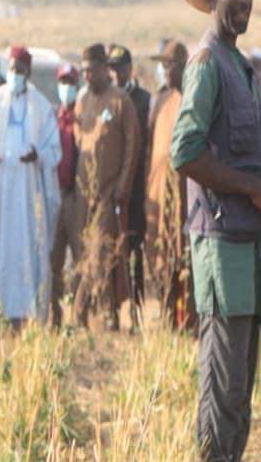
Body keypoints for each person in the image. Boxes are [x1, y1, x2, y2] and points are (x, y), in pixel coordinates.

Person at [172, 0, 261, 462]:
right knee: (220, 387)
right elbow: (184, 153)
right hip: (219, 248)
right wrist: (253, 190)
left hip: (249, 245)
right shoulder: (208, 64)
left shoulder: (243, 66)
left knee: (242, 389)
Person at [0, 46, 61, 327]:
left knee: (27, 248)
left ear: (28, 73)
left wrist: (39, 156)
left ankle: (28, 315)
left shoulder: (42, 106)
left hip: (27, 191)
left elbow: (54, 148)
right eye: (11, 70)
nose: (14, 75)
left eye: (20, 71)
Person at [73, 43, 140, 330]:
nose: (87, 77)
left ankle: (78, 313)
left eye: (91, 71)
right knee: (89, 253)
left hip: (109, 192)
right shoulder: (82, 100)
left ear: (103, 69)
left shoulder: (120, 101)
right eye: (84, 72)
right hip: (83, 193)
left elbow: (132, 146)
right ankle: (107, 313)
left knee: (100, 251)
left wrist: (123, 184)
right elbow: (80, 140)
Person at [145, 40, 195, 329]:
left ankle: (188, 321)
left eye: (169, 65)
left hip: (186, 198)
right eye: (162, 66)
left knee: (185, 259)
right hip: (159, 197)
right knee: (163, 257)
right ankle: (166, 319)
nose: (165, 71)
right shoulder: (162, 101)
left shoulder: (193, 100)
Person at [107, 44, 151, 325]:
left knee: (134, 250)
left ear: (129, 69)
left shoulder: (144, 99)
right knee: (112, 250)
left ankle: (134, 309)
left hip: (135, 191)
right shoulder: (106, 99)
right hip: (111, 189)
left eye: (120, 68)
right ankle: (111, 310)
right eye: (112, 69)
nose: (116, 74)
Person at [50, 62, 82, 328]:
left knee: (80, 258)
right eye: (63, 82)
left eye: (70, 83)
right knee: (55, 259)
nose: (66, 88)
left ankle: (80, 316)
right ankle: (55, 316)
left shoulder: (82, 118)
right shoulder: (52, 117)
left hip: (75, 196)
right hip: (54, 193)